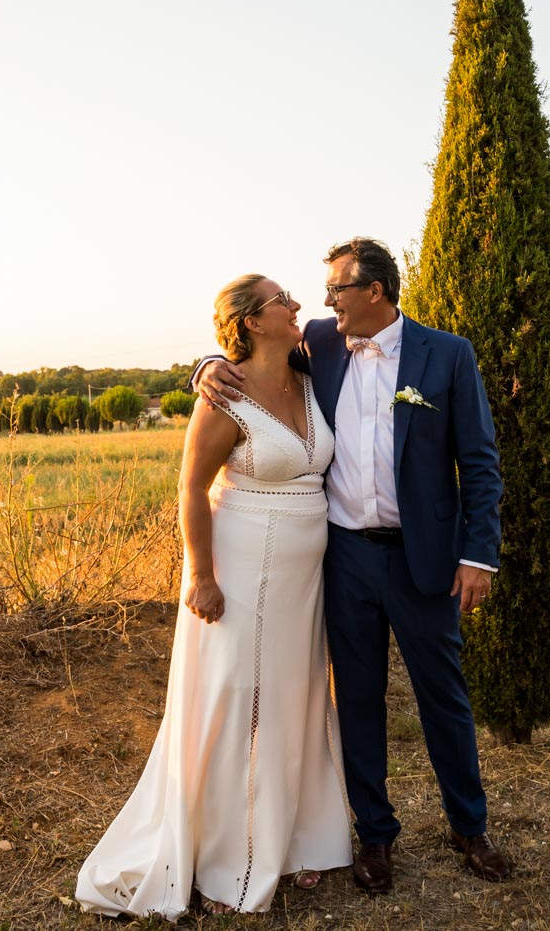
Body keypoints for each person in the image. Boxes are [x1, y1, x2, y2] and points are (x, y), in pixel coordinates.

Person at [195, 238, 511, 892]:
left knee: (443, 698)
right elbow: (248, 357)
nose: (323, 300)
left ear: (375, 290)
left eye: (338, 287)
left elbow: (479, 463)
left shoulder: (447, 354)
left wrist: (478, 554)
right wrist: (203, 364)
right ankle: (375, 837)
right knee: (356, 702)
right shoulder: (320, 340)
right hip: (343, 561)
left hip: (424, 561)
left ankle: (469, 827)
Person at [75, 275, 351, 920]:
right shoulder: (223, 395)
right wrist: (200, 574)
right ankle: (229, 850)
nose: (298, 305)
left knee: (295, 695)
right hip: (240, 560)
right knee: (235, 696)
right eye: (283, 299)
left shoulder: (311, 372)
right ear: (253, 321)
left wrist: (203, 359)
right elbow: (191, 489)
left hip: (305, 575)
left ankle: (292, 839)